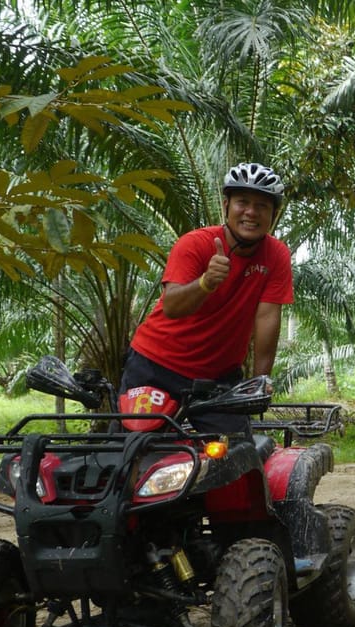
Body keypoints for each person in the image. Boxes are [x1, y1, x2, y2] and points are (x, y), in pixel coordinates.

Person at [120, 162, 294, 434]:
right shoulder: (195, 244)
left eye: (262, 205)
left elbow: (267, 317)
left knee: (236, 455)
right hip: (155, 366)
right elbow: (173, 307)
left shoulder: (277, 255)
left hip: (217, 378)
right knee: (135, 451)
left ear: (273, 213)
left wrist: (261, 379)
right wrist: (206, 282)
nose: (251, 212)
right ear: (226, 205)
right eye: (243, 202)